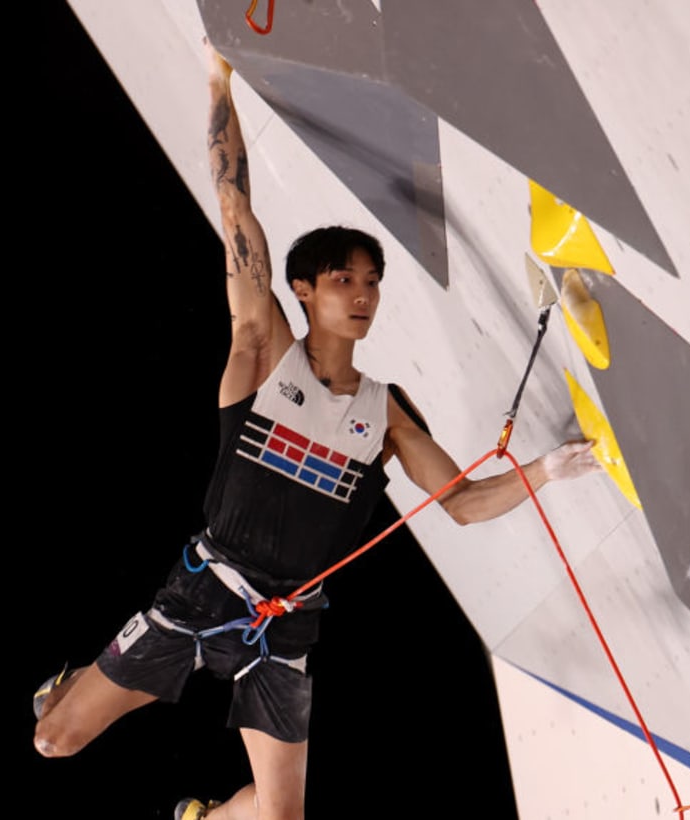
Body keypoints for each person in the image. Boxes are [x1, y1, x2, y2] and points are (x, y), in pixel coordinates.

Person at [32, 46, 600, 820]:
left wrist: (548, 469)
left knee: (280, 818)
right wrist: (218, 85)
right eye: (343, 280)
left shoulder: (387, 412)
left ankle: (205, 818)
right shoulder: (263, 351)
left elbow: (462, 504)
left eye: (371, 282)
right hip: (203, 592)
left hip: (283, 626)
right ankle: (64, 691)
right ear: (303, 288)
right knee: (53, 741)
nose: (362, 295)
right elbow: (234, 205)